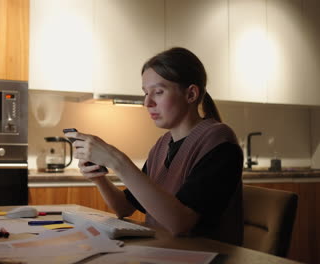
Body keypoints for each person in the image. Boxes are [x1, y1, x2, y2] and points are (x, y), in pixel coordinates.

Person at [65, 47, 244, 245]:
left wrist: (116, 160)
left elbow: (180, 223)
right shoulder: (162, 145)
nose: (147, 102)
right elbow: (124, 207)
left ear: (191, 94)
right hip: (164, 252)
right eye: (145, 93)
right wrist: (99, 178)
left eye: (158, 92)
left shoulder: (220, 143)